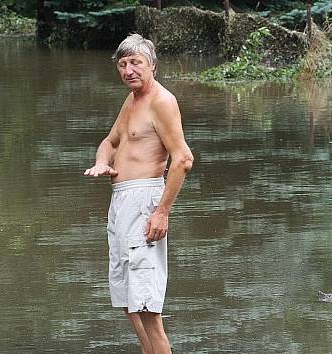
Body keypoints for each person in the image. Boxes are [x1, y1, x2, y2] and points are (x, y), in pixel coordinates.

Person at [84, 33, 193, 354]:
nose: (129, 70)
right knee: (129, 300)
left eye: (136, 63)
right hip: (121, 202)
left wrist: (162, 211)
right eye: (123, 64)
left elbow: (183, 159)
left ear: (153, 66)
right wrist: (102, 162)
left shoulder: (162, 101)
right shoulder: (132, 101)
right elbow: (110, 140)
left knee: (147, 306)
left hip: (146, 201)